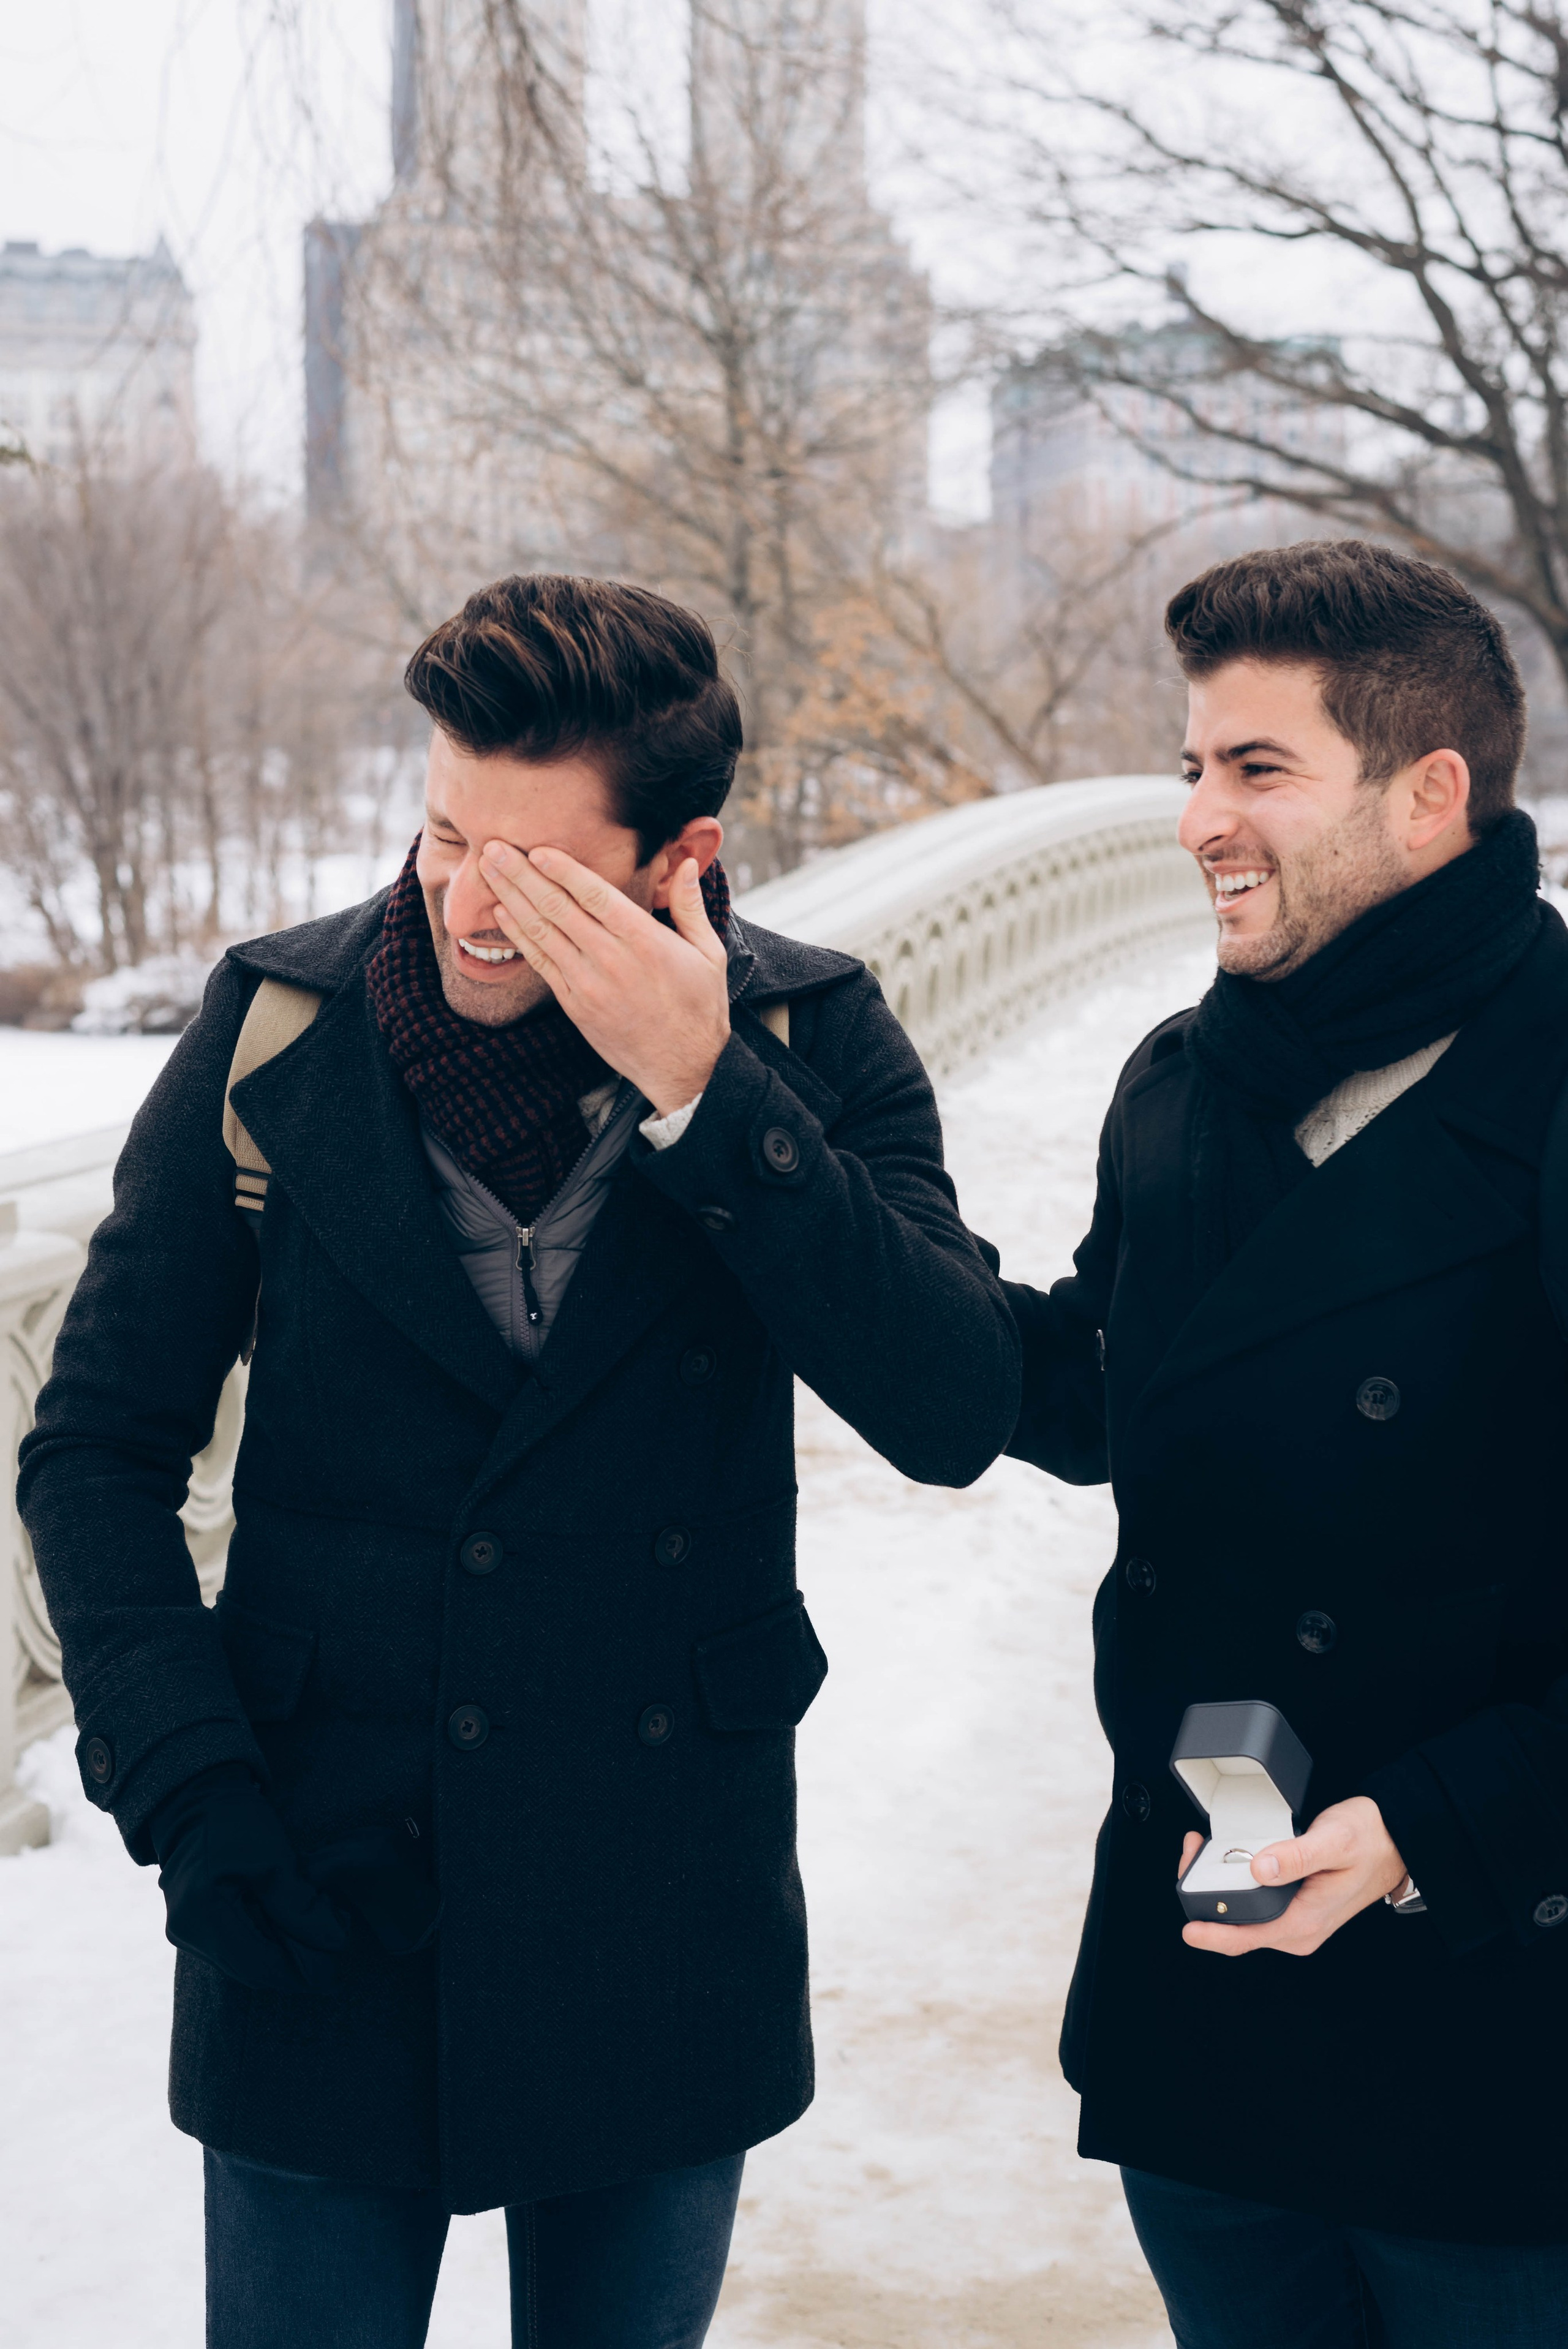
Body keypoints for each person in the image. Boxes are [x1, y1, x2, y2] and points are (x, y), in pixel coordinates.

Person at [17, 573, 1020, 2349]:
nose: (468, 907)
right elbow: (94, 1444)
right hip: (311, 1882)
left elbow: (949, 1407)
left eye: (532, 869)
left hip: (658, 1891)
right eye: (439, 835)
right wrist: (190, 1787)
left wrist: (714, 1101)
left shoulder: (807, 1036)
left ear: (676, 857)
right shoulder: (276, 1031)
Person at [1001, 540, 1568, 2346]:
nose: (1194, 821)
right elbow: (1097, 1386)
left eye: (1256, 770)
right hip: (1216, 1998)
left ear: (1430, 796)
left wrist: (1428, 1828)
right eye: (1190, 767)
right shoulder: (1182, 1086)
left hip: (1499, 2029)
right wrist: (744, 1146)